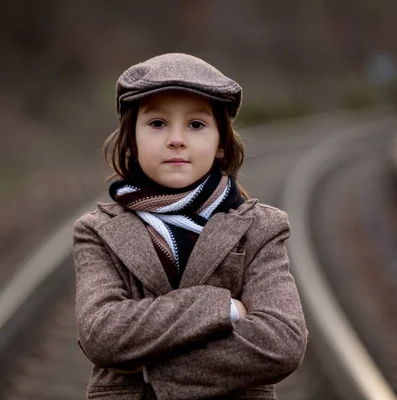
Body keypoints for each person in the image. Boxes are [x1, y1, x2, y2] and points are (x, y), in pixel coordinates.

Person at [73, 53, 308, 400]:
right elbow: (102, 335)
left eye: (196, 125)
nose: (176, 139)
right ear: (132, 140)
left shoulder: (261, 228)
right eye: (157, 124)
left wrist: (149, 369)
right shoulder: (97, 232)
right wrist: (222, 308)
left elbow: (282, 342)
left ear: (221, 143)